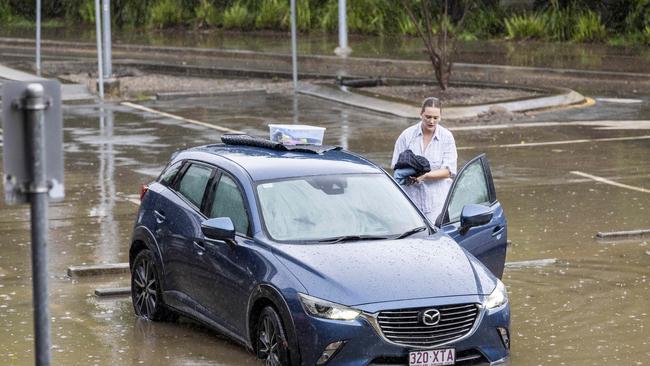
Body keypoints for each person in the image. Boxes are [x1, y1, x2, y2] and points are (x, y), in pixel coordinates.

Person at [391, 97, 458, 224]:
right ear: (421, 114)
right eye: (428, 117)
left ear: (440, 117)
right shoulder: (406, 136)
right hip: (411, 204)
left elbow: (449, 171)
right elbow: (396, 166)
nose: (431, 121)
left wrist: (425, 176)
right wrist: (408, 173)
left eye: (435, 118)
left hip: (437, 205)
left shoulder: (447, 137)